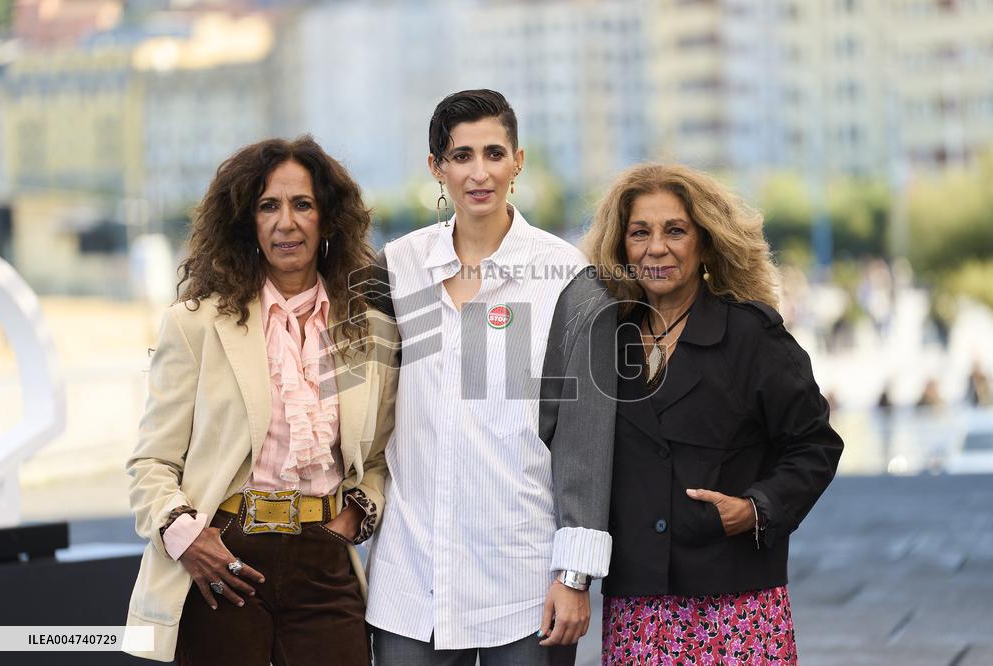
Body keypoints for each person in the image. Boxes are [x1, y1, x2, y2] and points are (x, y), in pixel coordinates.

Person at [123, 136, 399, 664]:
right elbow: (151, 463)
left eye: (303, 205)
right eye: (267, 206)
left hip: (325, 560)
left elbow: (381, 458)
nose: (285, 222)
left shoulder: (372, 329)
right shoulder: (194, 323)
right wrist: (189, 538)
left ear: (329, 219)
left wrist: (356, 515)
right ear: (244, 221)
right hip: (221, 563)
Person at [366, 89, 616, 665]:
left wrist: (574, 575)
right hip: (411, 578)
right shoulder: (396, 270)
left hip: (525, 582)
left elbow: (585, 439)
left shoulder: (568, 280)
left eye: (494, 153)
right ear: (436, 167)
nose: (480, 173)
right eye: (461, 156)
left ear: (518, 160)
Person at [584, 164, 844, 664]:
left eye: (675, 230)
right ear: (621, 248)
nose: (656, 247)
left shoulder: (753, 336)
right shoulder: (603, 340)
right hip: (637, 605)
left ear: (706, 242)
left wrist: (756, 508)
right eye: (640, 232)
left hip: (739, 605)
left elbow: (816, 445)